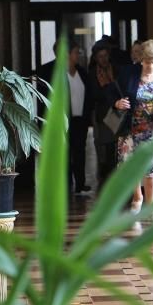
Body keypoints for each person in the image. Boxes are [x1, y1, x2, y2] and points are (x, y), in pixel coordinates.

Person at [112, 40, 153, 218]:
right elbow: (112, 92)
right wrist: (117, 103)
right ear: (141, 60)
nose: (151, 67)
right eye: (148, 62)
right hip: (130, 129)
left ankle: (150, 207)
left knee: (151, 169)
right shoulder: (128, 73)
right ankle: (137, 197)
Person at [36, 39, 91, 195]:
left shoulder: (81, 71)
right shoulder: (48, 70)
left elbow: (89, 93)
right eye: (75, 52)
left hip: (80, 119)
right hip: (61, 121)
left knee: (80, 151)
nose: (77, 55)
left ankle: (80, 184)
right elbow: (44, 97)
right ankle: (65, 186)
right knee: (64, 153)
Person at [88, 43, 122, 192]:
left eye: (105, 56)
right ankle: (106, 176)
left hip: (118, 112)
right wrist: (108, 91)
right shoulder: (92, 73)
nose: (103, 59)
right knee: (104, 145)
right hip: (102, 114)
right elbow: (93, 94)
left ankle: (116, 174)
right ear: (95, 58)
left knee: (117, 144)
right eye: (100, 56)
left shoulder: (116, 69)